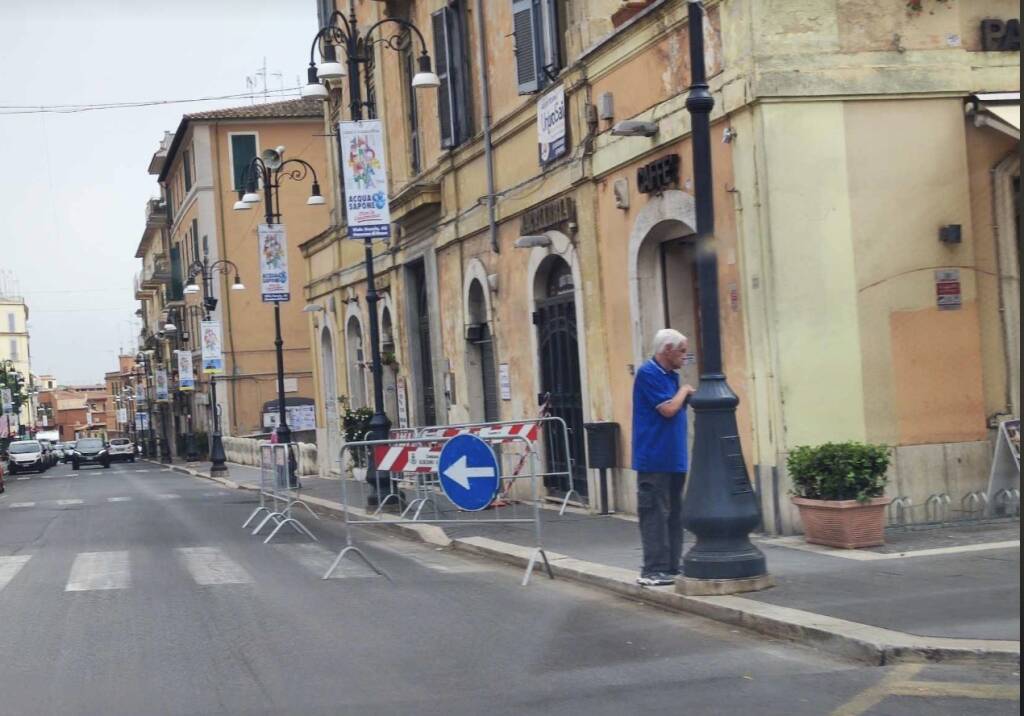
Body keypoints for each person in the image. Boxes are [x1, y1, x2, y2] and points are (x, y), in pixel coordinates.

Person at [631, 328, 695, 586]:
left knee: (674, 513)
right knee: (655, 513)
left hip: (673, 457)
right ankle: (653, 569)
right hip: (653, 457)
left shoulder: (671, 376)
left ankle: (671, 566)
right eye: (681, 351)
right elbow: (668, 409)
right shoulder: (648, 373)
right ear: (666, 349)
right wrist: (685, 392)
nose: (684, 356)